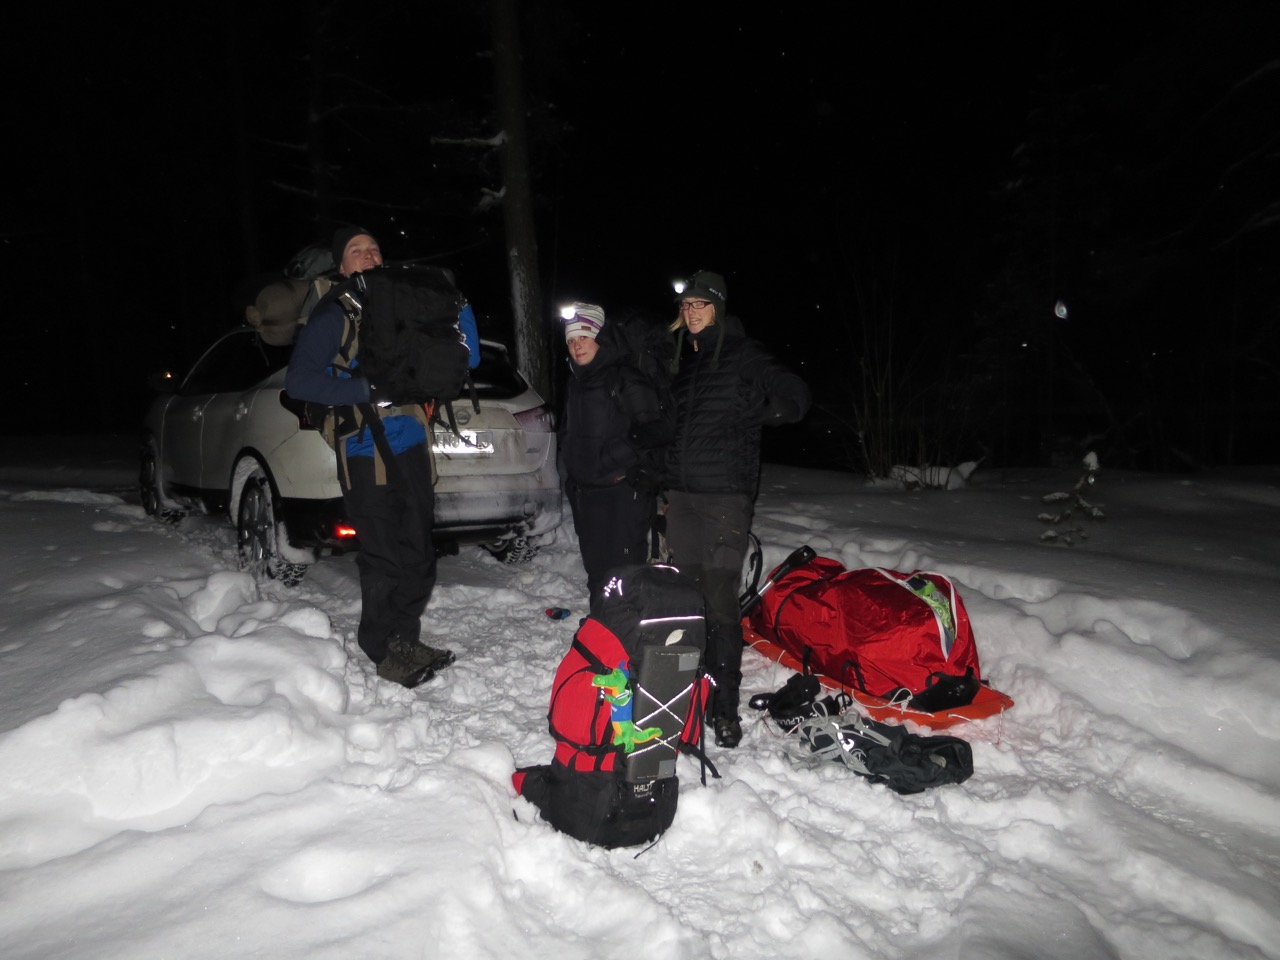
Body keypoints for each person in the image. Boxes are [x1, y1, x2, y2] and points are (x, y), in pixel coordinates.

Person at [285, 226, 455, 688]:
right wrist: (364, 388)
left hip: (412, 442)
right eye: (356, 251)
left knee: (418, 550)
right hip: (363, 446)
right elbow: (299, 381)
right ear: (341, 265)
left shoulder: (406, 308)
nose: (368, 255)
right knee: (383, 554)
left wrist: (453, 303)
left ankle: (405, 638)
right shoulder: (335, 312)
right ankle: (381, 646)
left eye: (374, 249)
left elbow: (465, 357)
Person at [663, 270, 811, 748]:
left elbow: (789, 386)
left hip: (725, 497)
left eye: (700, 304)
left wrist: (781, 407)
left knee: (719, 597)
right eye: (686, 306)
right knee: (687, 597)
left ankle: (724, 707)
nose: (691, 312)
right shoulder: (687, 365)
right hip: (682, 498)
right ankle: (688, 691)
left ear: (718, 309)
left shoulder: (742, 354)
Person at [558, 302, 674, 606]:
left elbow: (655, 430)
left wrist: (614, 459)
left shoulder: (625, 377)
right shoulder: (576, 380)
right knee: (596, 571)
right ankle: (601, 622)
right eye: (571, 340)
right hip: (586, 492)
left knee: (624, 574)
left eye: (583, 337)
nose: (576, 346)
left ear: (600, 338)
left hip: (621, 492)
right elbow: (570, 430)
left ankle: (625, 627)